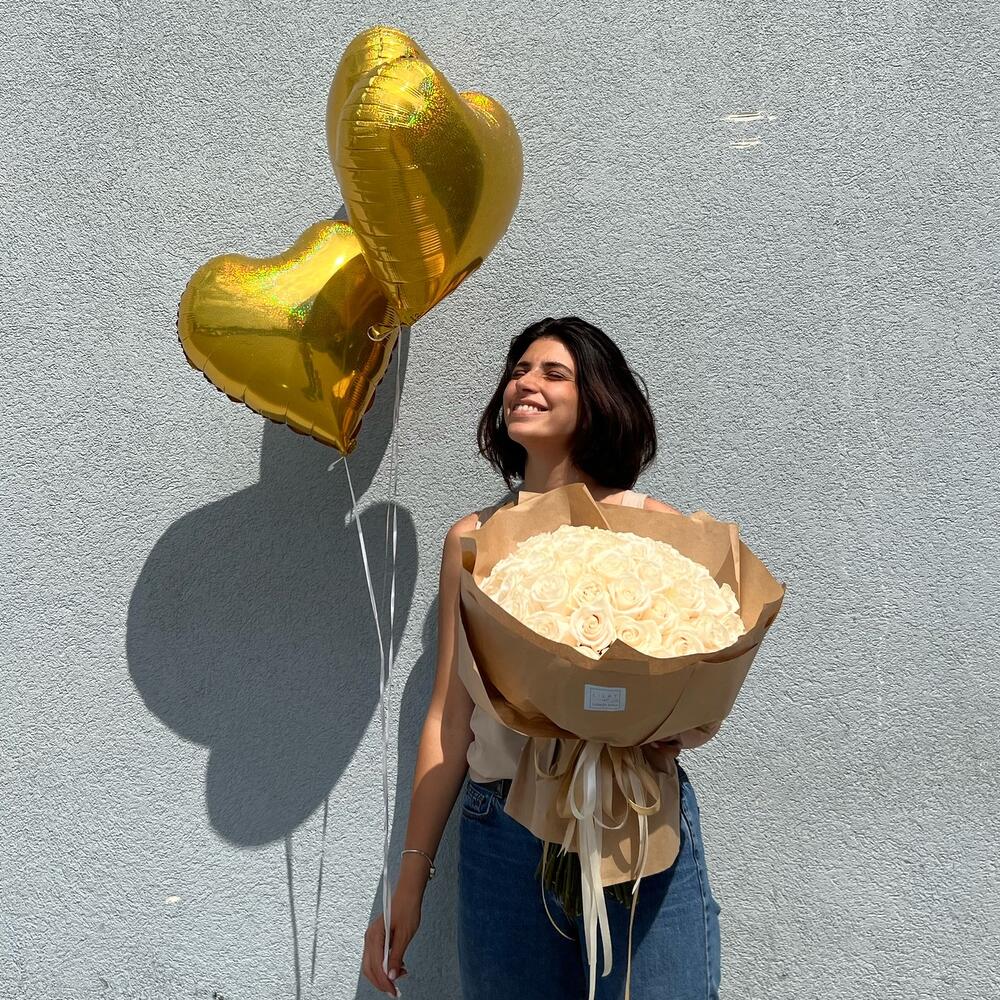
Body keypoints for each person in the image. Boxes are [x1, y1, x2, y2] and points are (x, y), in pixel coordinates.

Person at [361, 316, 723, 999]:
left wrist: (674, 720)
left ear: (598, 400)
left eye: (553, 373)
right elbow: (449, 718)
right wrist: (408, 878)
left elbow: (696, 667)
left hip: (634, 819)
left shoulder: (657, 529)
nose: (525, 383)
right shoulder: (474, 539)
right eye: (518, 371)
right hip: (504, 832)